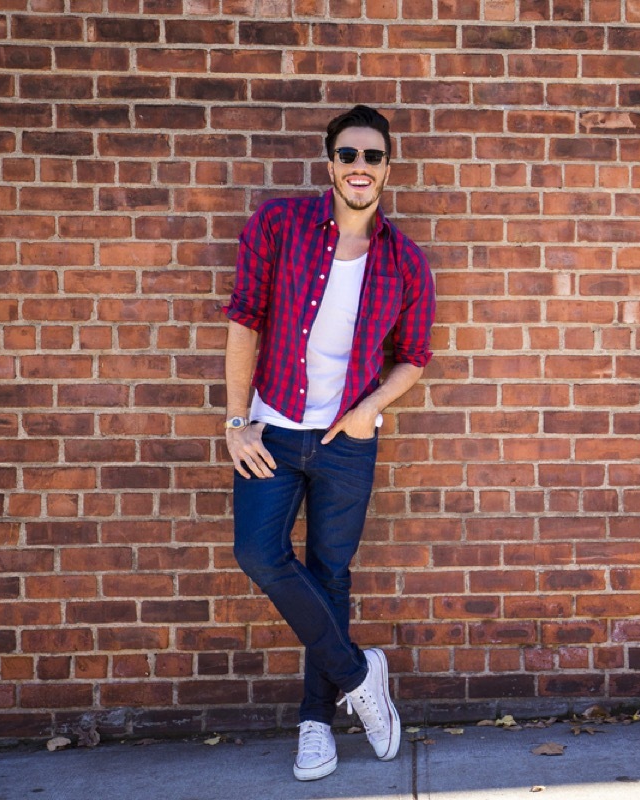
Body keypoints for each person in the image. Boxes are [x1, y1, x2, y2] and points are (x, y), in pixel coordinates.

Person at [221, 105, 435, 781]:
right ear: (330, 163)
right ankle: (358, 675)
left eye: (373, 157)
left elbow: (415, 357)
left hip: (347, 439)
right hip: (274, 427)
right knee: (256, 550)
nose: (360, 168)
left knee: (330, 576)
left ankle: (317, 723)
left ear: (388, 168)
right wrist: (236, 422)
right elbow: (244, 321)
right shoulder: (279, 226)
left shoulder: (405, 260)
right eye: (349, 155)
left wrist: (371, 408)